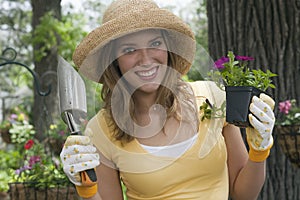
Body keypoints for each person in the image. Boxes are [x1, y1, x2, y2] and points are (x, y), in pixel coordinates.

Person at [60, 0, 276, 199]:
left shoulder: (213, 98)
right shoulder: (101, 129)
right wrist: (87, 189)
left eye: (155, 43)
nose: (145, 59)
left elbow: (243, 195)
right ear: (114, 60)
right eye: (129, 49)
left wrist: (258, 151)